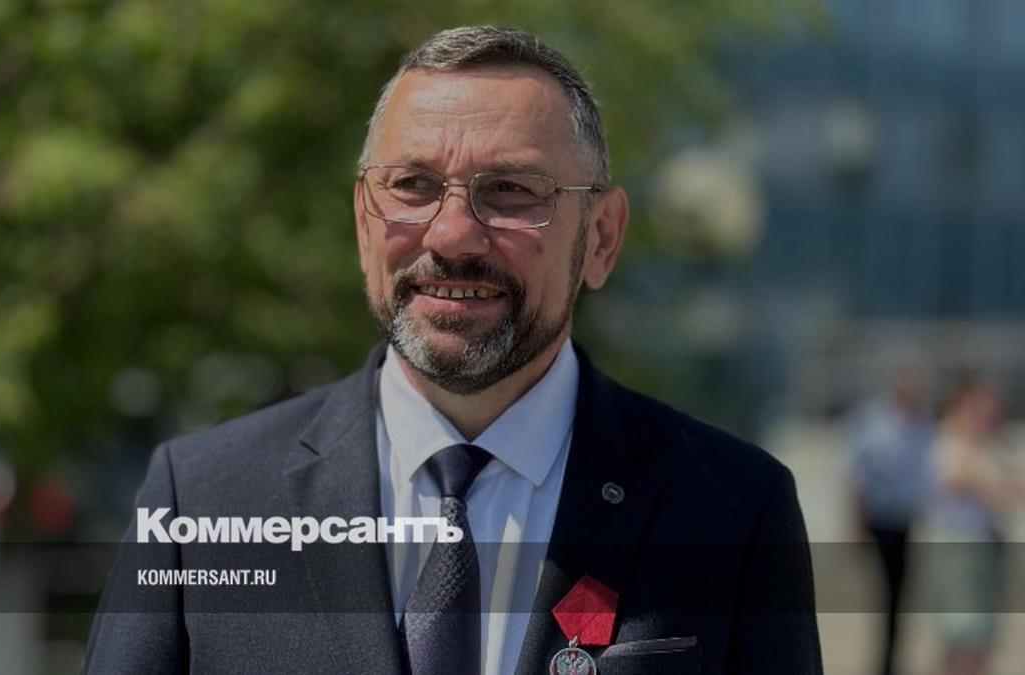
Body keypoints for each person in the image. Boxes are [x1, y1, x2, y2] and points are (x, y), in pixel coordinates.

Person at [84, 26, 822, 674]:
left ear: (601, 237)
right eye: (412, 185)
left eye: (510, 190)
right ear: (364, 224)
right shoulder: (203, 500)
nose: (452, 235)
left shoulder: (733, 509)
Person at [925, 375, 1024, 675]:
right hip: (961, 551)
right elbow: (960, 479)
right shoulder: (951, 442)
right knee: (963, 638)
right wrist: (997, 484)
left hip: (984, 548)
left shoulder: (988, 445)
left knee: (979, 639)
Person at [846, 369, 934, 675]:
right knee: (883, 592)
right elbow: (857, 474)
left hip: (905, 519)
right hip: (879, 517)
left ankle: (890, 659)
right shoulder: (873, 420)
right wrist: (856, 521)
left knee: (898, 593)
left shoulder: (922, 422)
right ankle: (882, 660)